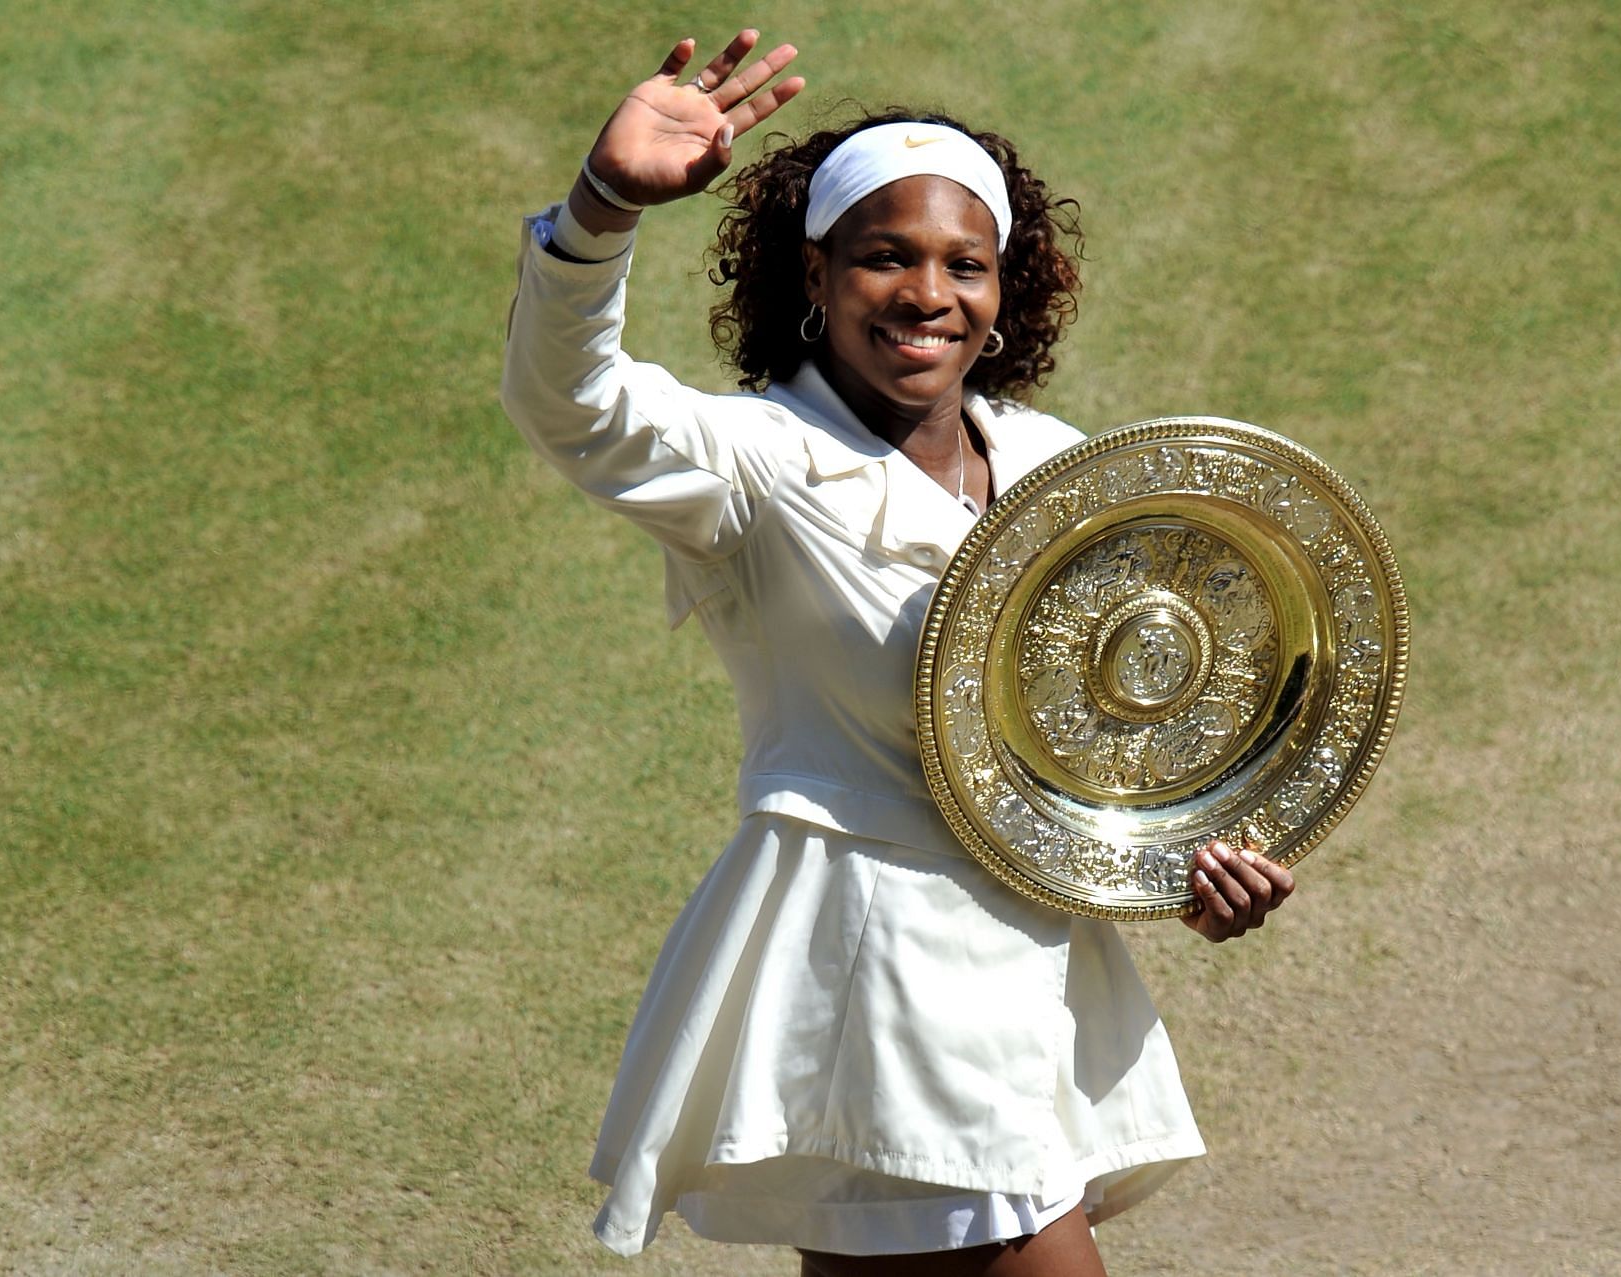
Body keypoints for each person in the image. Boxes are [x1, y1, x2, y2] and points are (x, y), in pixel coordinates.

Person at [499, 29, 1296, 1275]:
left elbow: (1096, 735)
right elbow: (574, 403)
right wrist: (600, 212)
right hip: (878, 981)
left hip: (1030, 970)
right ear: (814, 275)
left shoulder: (1053, 462)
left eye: (963, 264)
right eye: (886, 257)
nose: (927, 292)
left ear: (1003, 292)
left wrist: (1182, 862)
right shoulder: (750, 462)